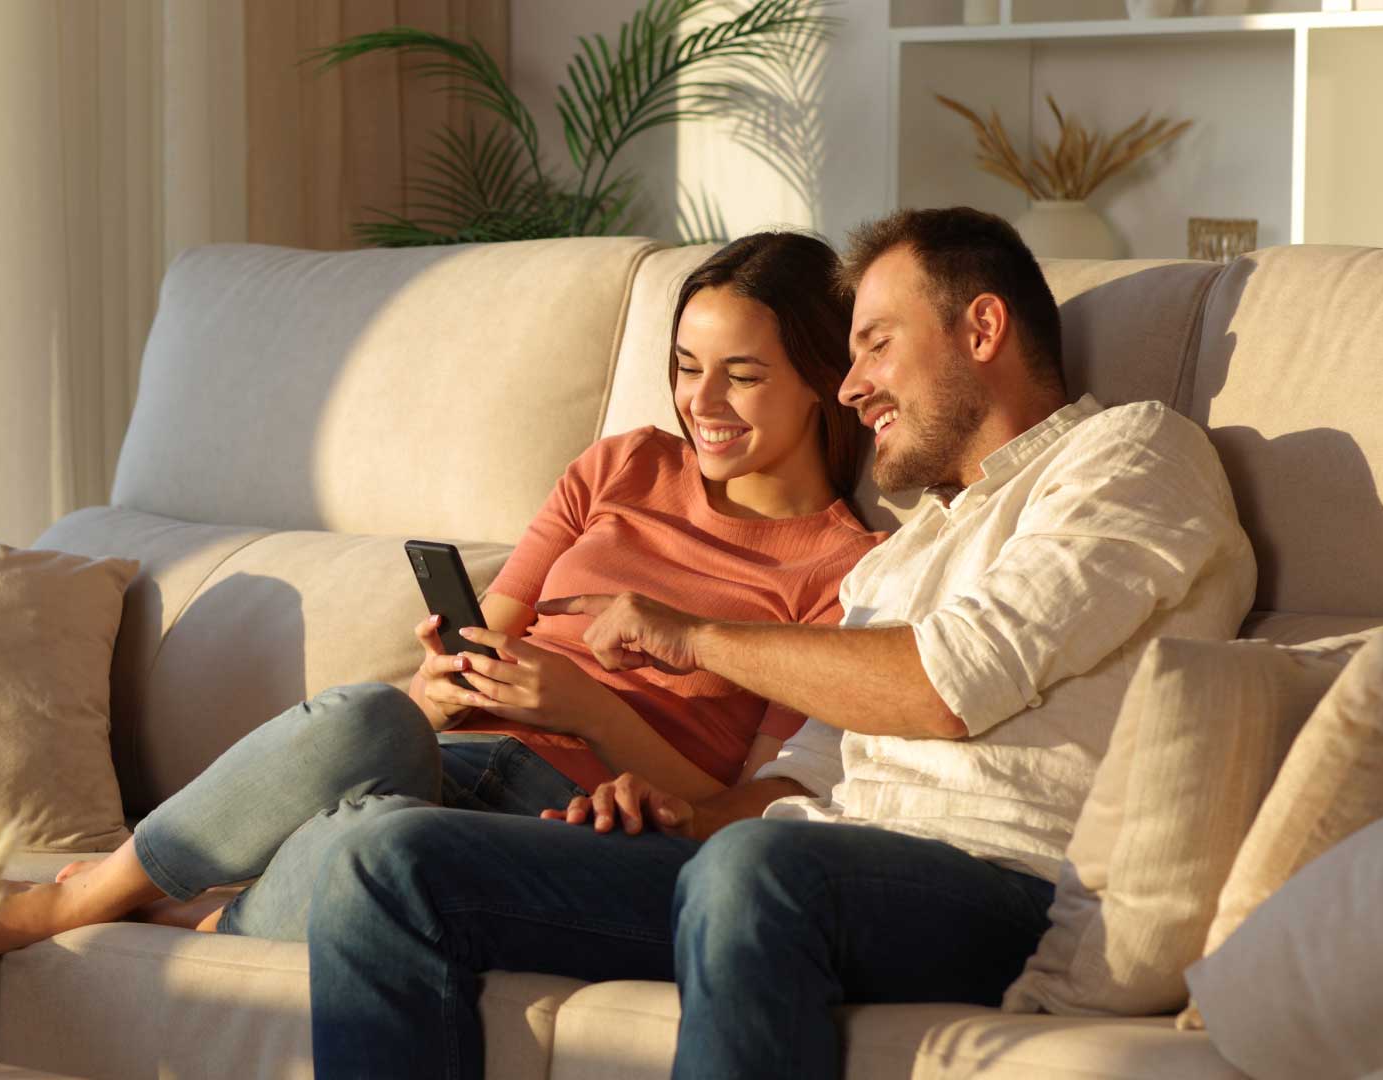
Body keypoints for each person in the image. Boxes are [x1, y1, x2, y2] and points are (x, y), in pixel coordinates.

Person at [305, 207, 1258, 1079]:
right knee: (386, 861)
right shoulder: (901, 556)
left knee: (754, 871)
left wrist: (692, 636)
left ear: (982, 329)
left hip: (1002, 890)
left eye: (877, 345)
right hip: (799, 871)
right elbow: (795, 784)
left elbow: (948, 683)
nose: (852, 387)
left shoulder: (1130, 456)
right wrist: (680, 817)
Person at [0, 231, 883, 956]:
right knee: (371, 712)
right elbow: (487, 641)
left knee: (380, 848)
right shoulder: (622, 466)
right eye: (685, 368)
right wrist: (445, 676)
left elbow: (744, 804)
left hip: (564, 822)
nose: (702, 404)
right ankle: (93, 898)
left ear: (822, 380)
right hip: (447, 755)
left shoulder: (845, 571)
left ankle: (182, 910)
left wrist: (587, 711)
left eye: (742, 377)